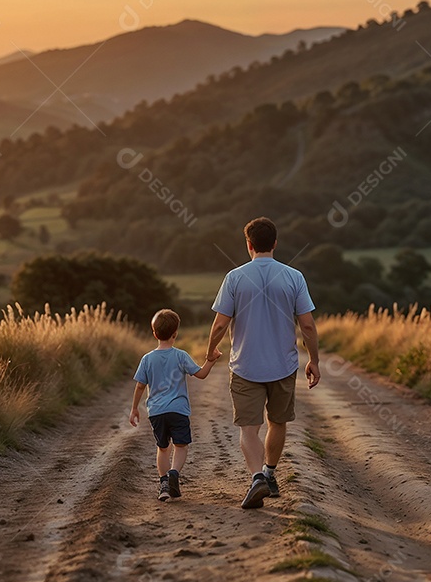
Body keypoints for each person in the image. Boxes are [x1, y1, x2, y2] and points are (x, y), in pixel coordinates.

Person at [206, 217, 320, 509]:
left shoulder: (234, 277)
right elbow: (307, 326)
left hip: (245, 366)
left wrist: (210, 351)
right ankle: (269, 474)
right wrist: (315, 361)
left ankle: (256, 476)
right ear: (275, 243)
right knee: (278, 421)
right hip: (283, 365)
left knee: (248, 427)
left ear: (248, 245)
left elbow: (220, 325)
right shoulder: (294, 276)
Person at [130, 309, 220, 501]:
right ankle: (174, 473)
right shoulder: (181, 356)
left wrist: (134, 408)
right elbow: (201, 374)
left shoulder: (147, 359)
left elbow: (139, 386)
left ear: (154, 334)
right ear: (175, 333)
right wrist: (210, 360)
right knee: (181, 445)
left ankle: (163, 484)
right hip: (178, 410)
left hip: (156, 412)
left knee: (163, 448)